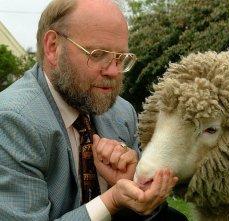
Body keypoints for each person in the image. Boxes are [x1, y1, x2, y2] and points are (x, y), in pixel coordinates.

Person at [0, 0, 188, 220]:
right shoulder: (12, 120)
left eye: (121, 58)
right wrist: (112, 200)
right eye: (98, 54)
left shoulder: (122, 112)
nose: (114, 71)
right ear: (53, 47)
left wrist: (137, 188)